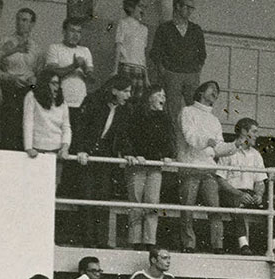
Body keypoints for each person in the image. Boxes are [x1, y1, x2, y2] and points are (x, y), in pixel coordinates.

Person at [72, 75, 135, 248]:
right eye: (126, 91)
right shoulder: (93, 101)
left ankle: (101, 240)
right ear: (114, 90)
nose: (129, 95)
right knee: (87, 196)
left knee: (103, 198)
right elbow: (80, 127)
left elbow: (122, 135)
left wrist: (128, 153)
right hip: (87, 156)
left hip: (105, 156)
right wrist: (81, 149)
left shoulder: (123, 110)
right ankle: (87, 240)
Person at [178, 80, 236, 254]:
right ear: (201, 92)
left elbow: (218, 148)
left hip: (208, 169)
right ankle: (188, 243)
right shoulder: (187, 111)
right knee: (188, 207)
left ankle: (217, 245)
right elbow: (190, 136)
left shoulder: (215, 120)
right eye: (212, 89)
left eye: (218, 91)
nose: (215, 92)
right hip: (190, 165)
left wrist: (235, 145)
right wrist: (206, 141)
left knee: (214, 207)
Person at [121, 85, 176, 249]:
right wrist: (132, 153)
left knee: (152, 203)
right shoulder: (135, 114)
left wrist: (168, 155)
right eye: (159, 94)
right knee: (136, 202)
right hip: (137, 164)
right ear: (149, 97)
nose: (163, 98)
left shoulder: (165, 118)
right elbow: (126, 135)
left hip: (154, 166)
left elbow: (170, 139)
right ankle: (135, 240)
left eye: (164, 96)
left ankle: (150, 240)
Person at [216, 117, 269, 255]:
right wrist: (239, 194)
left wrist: (259, 194)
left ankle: (273, 246)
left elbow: (260, 181)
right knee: (237, 203)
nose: (257, 135)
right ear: (244, 132)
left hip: (250, 194)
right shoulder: (228, 150)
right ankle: (243, 245)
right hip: (231, 193)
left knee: (274, 205)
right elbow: (220, 180)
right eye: (254, 131)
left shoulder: (256, 155)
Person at [150, 0, 205, 121]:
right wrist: (162, 70)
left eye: (192, 8)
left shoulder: (196, 30)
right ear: (177, 6)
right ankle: (173, 140)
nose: (190, 11)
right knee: (172, 110)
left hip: (191, 75)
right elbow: (155, 52)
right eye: (187, 7)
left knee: (195, 110)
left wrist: (197, 70)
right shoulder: (165, 28)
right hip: (172, 74)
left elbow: (202, 53)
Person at [0, 7, 39, 150]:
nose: (20, 23)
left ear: (32, 24)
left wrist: (34, 79)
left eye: (25, 20)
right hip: (8, 88)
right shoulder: (4, 41)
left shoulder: (36, 47)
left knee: (26, 124)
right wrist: (9, 77)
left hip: (27, 90)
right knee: (8, 127)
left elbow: (38, 71)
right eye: (18, 19)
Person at [44, 18, 93, 129]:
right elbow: (53, 73)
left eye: (78, 32)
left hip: (80, 103)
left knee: (77, 139)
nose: (75, 35)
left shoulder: (85, 51)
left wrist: (85, 68)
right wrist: (74, 66)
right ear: (64, 31)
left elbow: (91, 80)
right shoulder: (54, 48)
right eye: (72, 30)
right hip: (59, 102)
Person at [23, 69, 71, 177]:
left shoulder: (62, 101)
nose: (57, 86)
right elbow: (28, 123)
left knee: (54, 185)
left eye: (58, 83)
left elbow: (66, 126)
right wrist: (29, 148)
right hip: (37, 150)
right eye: (53, 83)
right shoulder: (31, 96)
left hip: (57, 151)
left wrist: (65, 147)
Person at [114, 0, 149, 99]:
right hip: (127, 67)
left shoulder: (144, 29)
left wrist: (146, 77)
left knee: (138, 101)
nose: (142, 9)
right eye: (140, 6)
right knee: (125, 99)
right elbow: (118, 47)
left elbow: (143, 54)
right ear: (131, 7)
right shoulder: (123, 23)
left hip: (140, 70)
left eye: (144, 7)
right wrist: (115, 70)